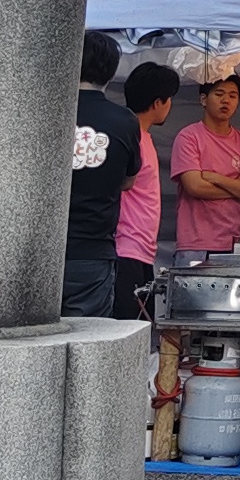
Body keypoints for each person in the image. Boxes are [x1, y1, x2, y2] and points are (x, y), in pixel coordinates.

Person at [62, 31, 143, 319]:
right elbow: (129, 180)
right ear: (111, 71)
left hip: (35, 249)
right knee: (87, 342)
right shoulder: (124, 121)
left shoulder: (45, 113)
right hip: (92, 249)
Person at [168, 72, 240, 253]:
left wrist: (216, 178)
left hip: (237, 242)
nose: (226, 101)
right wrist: (239, 187)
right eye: (219, 94)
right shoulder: (189, 137)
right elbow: (195, 187)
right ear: (204, 100)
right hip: (196, 243)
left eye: (233, 96)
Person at [112, 63, 182, 318]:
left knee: (140, 324)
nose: (170, 105)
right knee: (128, 325)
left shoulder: (142, 136)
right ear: (157, 102)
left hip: (140, 247)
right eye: (169, 99)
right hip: (125, 245)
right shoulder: (131, 137)